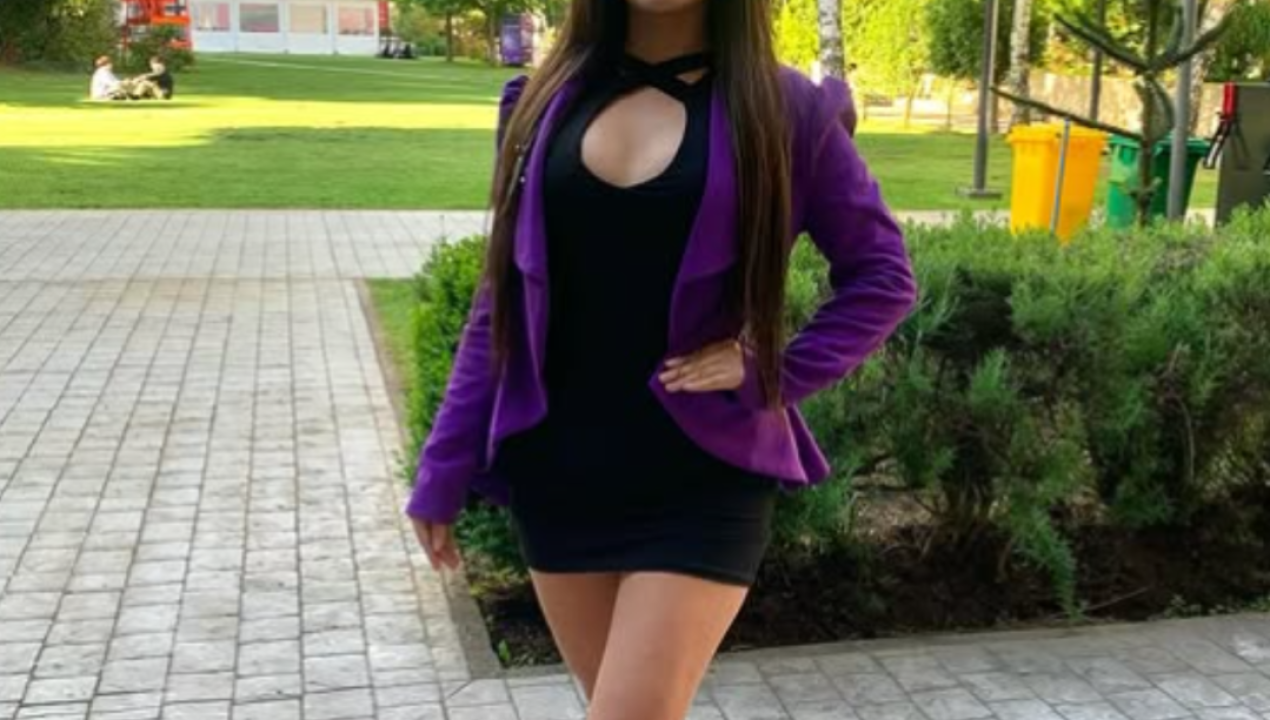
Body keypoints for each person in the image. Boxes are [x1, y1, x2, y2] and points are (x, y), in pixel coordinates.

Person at [407, 0, 917, 717]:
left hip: (699, 477)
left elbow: (882, 276)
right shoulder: (543, 102)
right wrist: (444, 466)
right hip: (561, 476)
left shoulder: (785, 110)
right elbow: (503, 301)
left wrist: (773, 370)